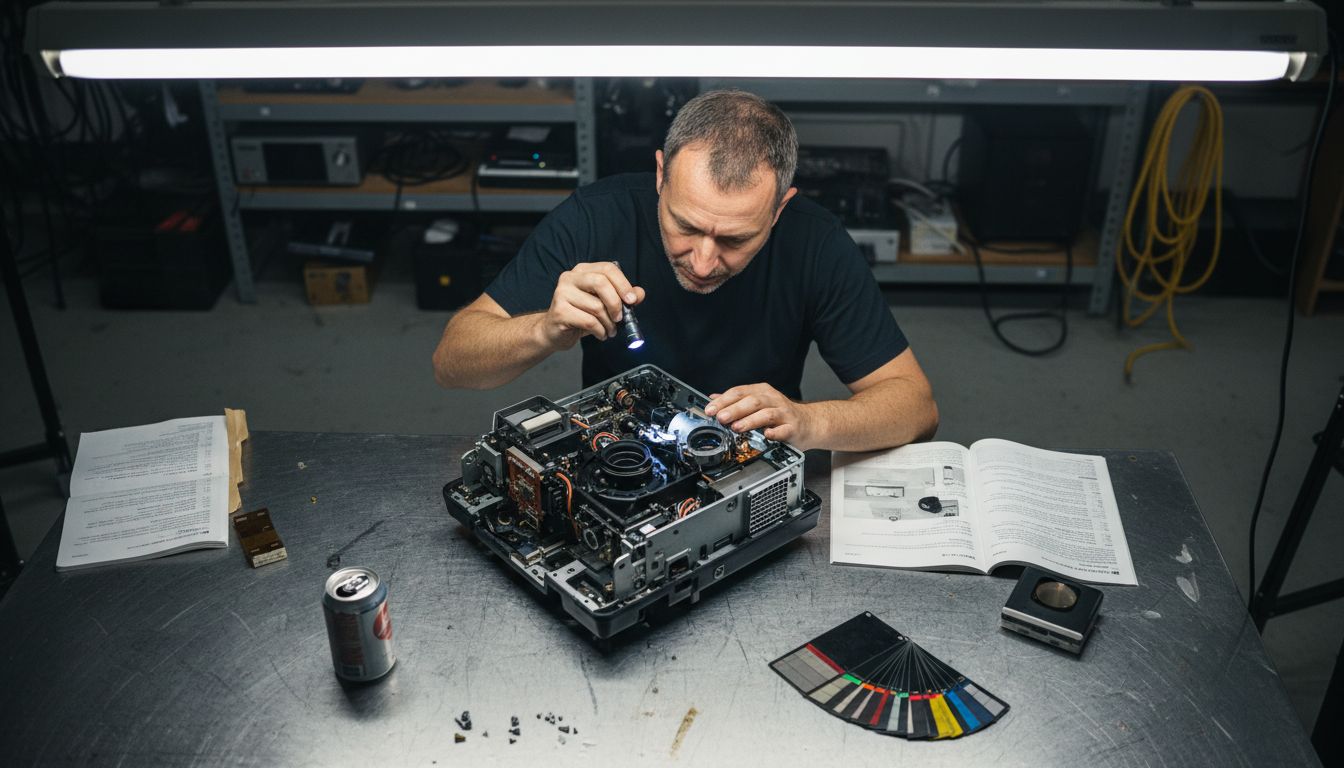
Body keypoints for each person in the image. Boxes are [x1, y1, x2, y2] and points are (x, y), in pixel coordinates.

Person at [432, 90, 937, 452]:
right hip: (617, 450)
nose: (702, 261)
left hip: (750, 453)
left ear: (780, 209)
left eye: (736, 239)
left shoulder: (815, 241)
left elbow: (915, 406)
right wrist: (544, 328)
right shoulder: (595, 215)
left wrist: (806, 422)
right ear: (660, 175)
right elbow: (452, 362)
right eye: (685, 226)